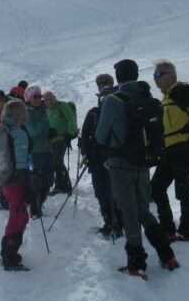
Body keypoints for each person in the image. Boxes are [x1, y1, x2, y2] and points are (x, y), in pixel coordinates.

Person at [96, 59, 179, 276]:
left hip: (120, 164)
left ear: (119, 77)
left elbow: (100, 136)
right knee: (143, 208)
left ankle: (136, 264)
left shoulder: (114, 100)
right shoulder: (146, 96)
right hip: (143, 162)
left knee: (130, 212)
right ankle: (167, 255)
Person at [150, 59, 189, 241]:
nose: (155, 79)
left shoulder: (182, 93)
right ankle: (168, 228)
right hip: (169, 148)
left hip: (183, 147)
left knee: (182, 189)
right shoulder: (166, 97)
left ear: (171, 76)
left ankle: (187, 228)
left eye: (159, 75)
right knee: (156, 188)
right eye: (154, 75)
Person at [79, 74, 120, 236]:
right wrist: (85, 149)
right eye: (99, 83)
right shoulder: (93, 113)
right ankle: (108, 220)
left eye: (105, 83)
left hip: (112, 156)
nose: (101, 85)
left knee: (113, 191)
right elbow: (86, 132)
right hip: (96, 158)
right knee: (100, 190)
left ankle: (118, 222)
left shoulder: (119, 105)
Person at [0, 99, 33, 271]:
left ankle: (7, 252)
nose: (27, 113)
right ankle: (9, 257)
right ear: (19, 113)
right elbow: (21, 163)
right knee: (19, 217)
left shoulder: (2, 129)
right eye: (25, 111)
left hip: (5, 181)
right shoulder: (17, 133)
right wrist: (28, 187)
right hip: (16, 181)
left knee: (16, 215)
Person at [23, 86, 54, 218]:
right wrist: (44, 120)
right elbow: (33, 131)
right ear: (29, 98)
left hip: (48, 148)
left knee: (48, 180)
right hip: (35, 151)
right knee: (36, 180)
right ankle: (35, 208)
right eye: (35, 96)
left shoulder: (46, 108)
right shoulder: (27, 112)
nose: (38, 99)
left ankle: (39, 203)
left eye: (39, 96)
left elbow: (53, 124)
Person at [44, 90, 78, 194]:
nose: (49, 101)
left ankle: (64, 186)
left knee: (57, 161)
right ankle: (60, 185)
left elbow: (71, 119)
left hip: (62, 138)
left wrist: (70, 134)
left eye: (50, 99)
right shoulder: (46, 110)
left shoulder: (62, 105)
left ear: (54, 97)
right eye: (46, 100)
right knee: (55, 163)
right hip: (52, 140)